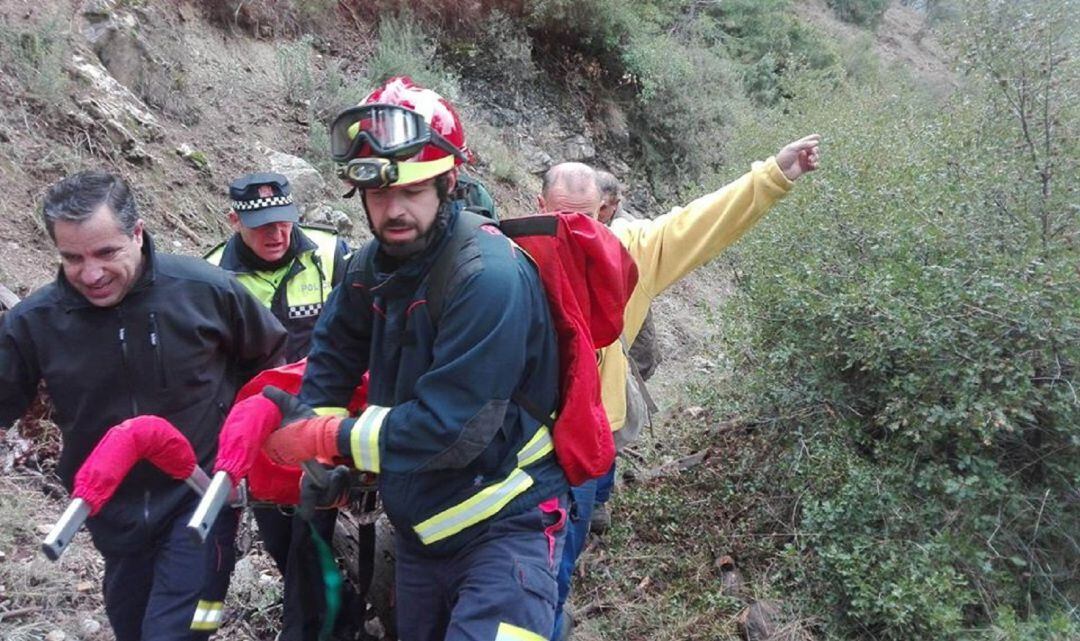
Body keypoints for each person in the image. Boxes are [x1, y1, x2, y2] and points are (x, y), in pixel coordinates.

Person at [257, 76, 569, 641]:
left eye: (412, 191)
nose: (393, 210)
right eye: (379, 194)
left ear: (448, 182)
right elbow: (332, 353)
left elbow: (454, 430)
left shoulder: (488, 276)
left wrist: (329, 439)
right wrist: (316, 433)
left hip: (508, 527)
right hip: (422, 535)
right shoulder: (369, 266)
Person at [540, 135, 823, 639]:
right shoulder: (512, 249)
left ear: (604, 214)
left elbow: (700, 221)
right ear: (539, 206)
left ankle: (551, 610)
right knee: (536, 558)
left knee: (558, 558)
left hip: (588, 440)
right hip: (526, 442)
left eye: (585, 218)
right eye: (561, 216)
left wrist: (774, 174)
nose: (572, 231)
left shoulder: (632, 252)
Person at [0, 170, 287, 641]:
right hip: (109, 509)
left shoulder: (205, 290)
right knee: (132, 626)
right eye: (73, 258)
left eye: (106, 252)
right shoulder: (35, 322)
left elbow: (274, 365)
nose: (90, 274)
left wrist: (249, 445)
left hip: (199, 500)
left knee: (172, 631)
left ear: (137, 233)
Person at [204, 173, 359, 641]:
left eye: (285, 222)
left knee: (313, 544)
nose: (276, 234)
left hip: (326, 426)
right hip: (261, 433)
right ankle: (338, 617)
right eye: (261, 225)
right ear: (234, 221)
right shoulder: (213, 273)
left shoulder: (332, 254)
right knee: (280, 542)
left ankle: (322, 627)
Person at [590, 170, 660, 535]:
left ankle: (598, 500)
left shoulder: (629, 237)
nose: (600, 212)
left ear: (614, 205)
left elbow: (644, 336)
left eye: (606, 206)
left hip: (616, 351)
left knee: (608, 421)